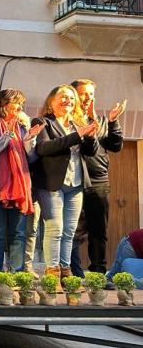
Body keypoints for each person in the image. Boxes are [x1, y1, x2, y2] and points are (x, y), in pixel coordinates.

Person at [33, 84, 99, 284]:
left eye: (71, 98)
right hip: (52, 183)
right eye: (63, 96)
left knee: (70, 232)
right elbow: (43, 148)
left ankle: (65, 270)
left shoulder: (78, 124)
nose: (68, 101)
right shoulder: (43, 122)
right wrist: (77, 136)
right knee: (55, 228)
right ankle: (52, 273)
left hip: (76, 183)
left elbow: (91, 152)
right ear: (51, 101)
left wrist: (90, 137)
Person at [0, 89, 43, 276]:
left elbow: (30, 158)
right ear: (3, 104)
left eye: (21, 104)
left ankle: (16, 275)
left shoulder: (22, 126)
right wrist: (6, 135)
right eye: (16, 103)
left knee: (18, 234)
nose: (20, 107)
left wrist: (29, 139)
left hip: (19, 188)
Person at [71, 78, 125, 273]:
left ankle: (98, 274)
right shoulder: (68, 121)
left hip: (98, 181)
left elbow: (115, 146)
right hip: (75, 180)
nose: (88, 97)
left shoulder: (100, 121)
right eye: (84, 93)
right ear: (74, 95)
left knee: (98, 231)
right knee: (73, 231)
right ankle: (73, 272)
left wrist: (113, 121)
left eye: (91, 94)